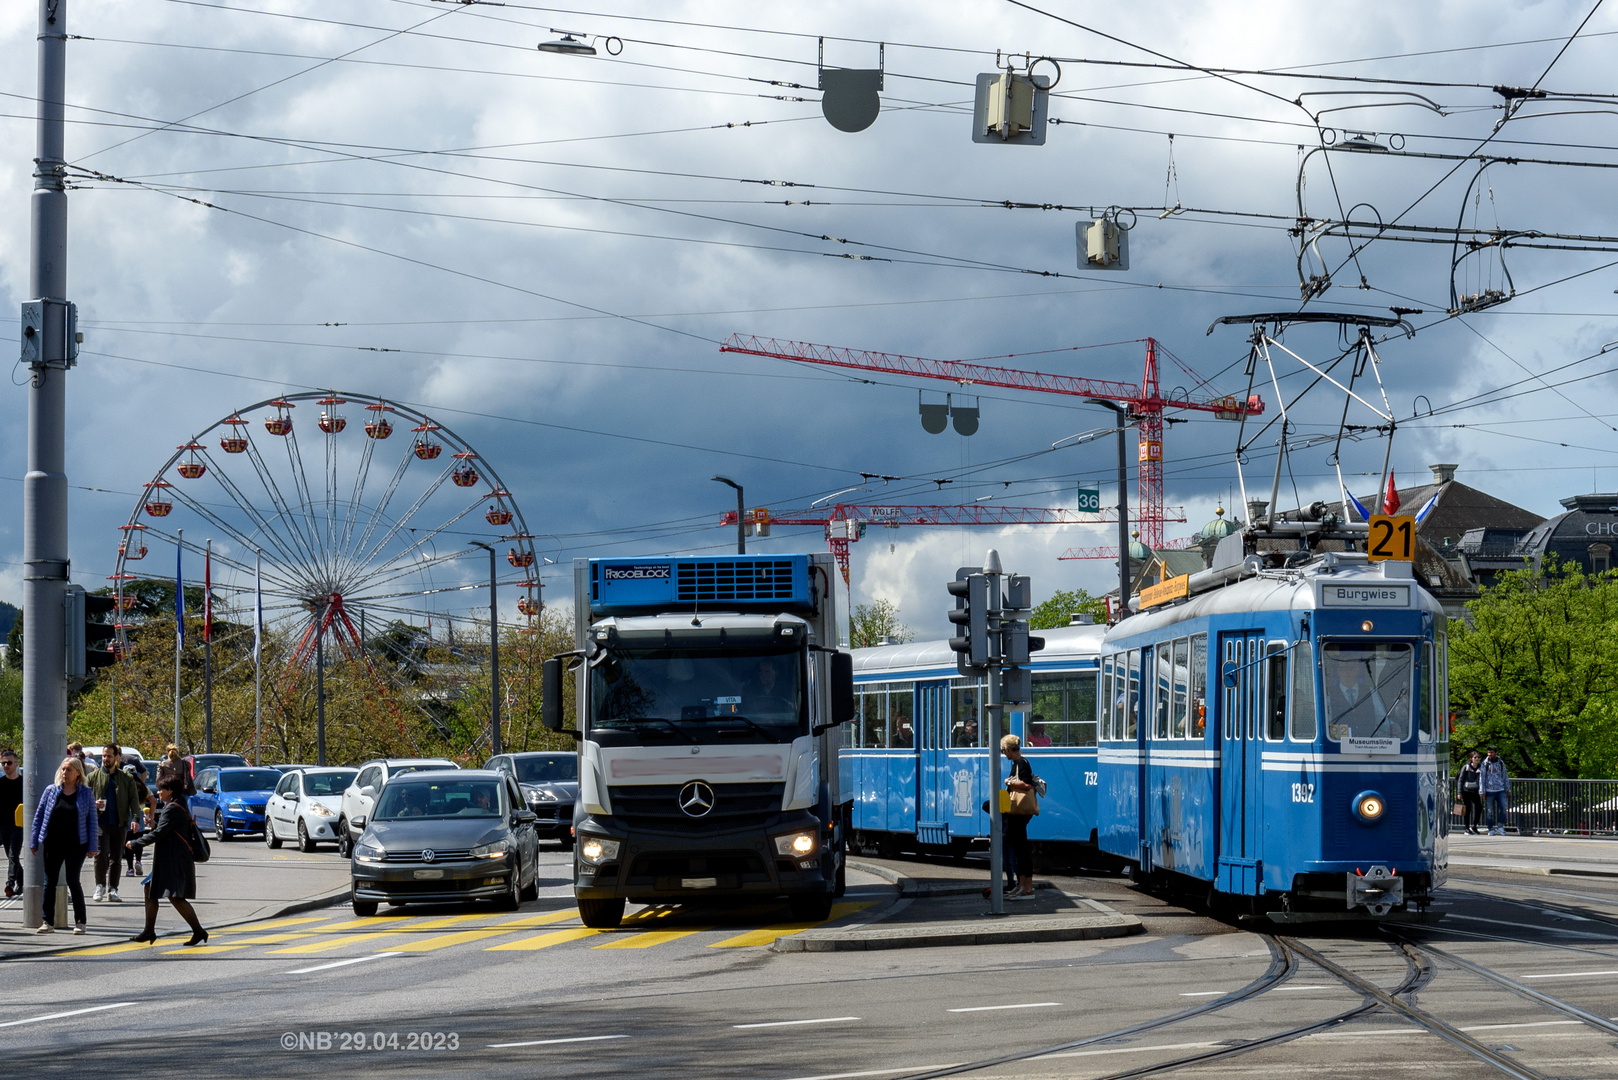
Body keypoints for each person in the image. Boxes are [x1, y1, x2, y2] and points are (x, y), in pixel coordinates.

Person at [128, 777, 207, 946]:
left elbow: (159, 834)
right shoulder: (174, 805)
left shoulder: (173, 808)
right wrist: (155, 824)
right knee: (151, 888)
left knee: (175, 896)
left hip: (174, 858)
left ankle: (198, 931)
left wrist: (135, 843)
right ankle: (149, 930)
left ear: (170, 790)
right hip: (171, 857)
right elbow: (166, 830)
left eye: (161, 789)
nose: (158, 792)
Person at [28, 756, 98, 934]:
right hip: (53, 843)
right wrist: (33, 840)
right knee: (49, 881)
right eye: (63, 769)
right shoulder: (51, 791)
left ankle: (80, 922)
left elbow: (92, 821)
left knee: (73, 880)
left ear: (78, 773)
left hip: (76, 844)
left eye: (69, 770)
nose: (65, 773)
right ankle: (47, 921)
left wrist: (92, 846)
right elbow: (39, 816)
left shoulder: (86, 793)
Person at [87, 745, 141, 903]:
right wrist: (93, 803)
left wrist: (136, 819)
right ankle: (99, 886)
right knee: (101, 854)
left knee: (116, 858)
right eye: (104, 756)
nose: (106, 759)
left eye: (109, 756)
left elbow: (134, 800)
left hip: (119, 823)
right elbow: (84, 797)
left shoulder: (126, 778)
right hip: (100, 822)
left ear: (117, 757)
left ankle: (113, 889)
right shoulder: (93, 777)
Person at [1001, 734, 1038, 900]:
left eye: (1004, 750)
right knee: (1018, 848)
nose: (1004, 753)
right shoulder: (1018, 763)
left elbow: (1026, 784)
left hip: (1020, 812)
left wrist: (1008, 782)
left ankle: (1027, 887)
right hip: (1016, 813)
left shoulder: (1021, 763)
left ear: (1009, 749)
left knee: (1022, 849)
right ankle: (1021, 885)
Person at [1324, 657, 1389, 739]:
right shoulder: (1329, 693)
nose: (1346, 672)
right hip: (1338, 745)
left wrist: (1391, 727)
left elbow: (1380, 717)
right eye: (1342, 668)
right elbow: (1327, 721)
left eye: (1350, 668)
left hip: (1367, 745)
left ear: (1357, 670)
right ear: (1338, 672)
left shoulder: (1369, 691)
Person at [123, 761, 151, 875]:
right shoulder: (143, 787)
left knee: (127, 841)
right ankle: (138, 861)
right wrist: (151, 815)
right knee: (139, 840)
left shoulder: (124, 787)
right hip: (139, 814)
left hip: (126, 814)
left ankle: (130, 868)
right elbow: (153, 801)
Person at [2, 748, 22, 899]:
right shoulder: (1, 783)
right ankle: (21, 882)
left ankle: (10, 883)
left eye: (9, 763)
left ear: (16, 764)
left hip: (19, 825)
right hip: (3, 825)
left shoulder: (24, 783)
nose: (6, 766)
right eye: (3, 763)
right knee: (11, 857)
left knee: (14, 854)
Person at [1481, 747, 1511, 836]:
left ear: (1496, 753)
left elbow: (1505, 776)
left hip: (1500, 789)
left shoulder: (1501, 763)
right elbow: (1482, 778)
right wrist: (1482, 791)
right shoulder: (1485, 763)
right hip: (1489, 790)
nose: (1490, 754)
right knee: (1489, 810)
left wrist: (1507, 789)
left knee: (1503, 808)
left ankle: (1500, 827)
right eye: (1488, 753)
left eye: (1492, 752)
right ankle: (1490, 828)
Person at [1458, 752, 1485, 835]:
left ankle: (1474, 826)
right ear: (1471, 759)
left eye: (1478, 757)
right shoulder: (1466, 767)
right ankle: (1466, 828)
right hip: (1466, 791)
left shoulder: (1481, 768)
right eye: (1475, 757)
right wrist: (1459, 792)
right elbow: (1460, 780)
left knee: (1479, 808)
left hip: (1475, 791)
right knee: (1467, 809)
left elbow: (1483, 779)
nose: (1477, 759)